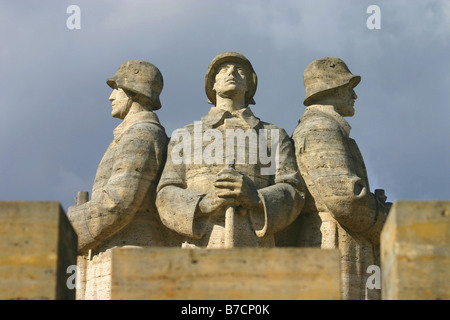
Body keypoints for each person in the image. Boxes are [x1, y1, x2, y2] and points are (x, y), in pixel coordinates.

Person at [156, 52, 305, 248]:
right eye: (223, 70)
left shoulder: (272, 134)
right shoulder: (185, 135)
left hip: (255, 244)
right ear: (213, 84)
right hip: (201, 245)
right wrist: (202, 204)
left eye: (240, 70)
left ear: (250, 84)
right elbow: (166, 192)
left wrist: (255, 198)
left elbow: (292, 190)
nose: (232, 73)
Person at [67, 60, 178, 299]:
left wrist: (69, 227)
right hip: (114, 248)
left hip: (131, 252)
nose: (111, 97)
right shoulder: (129, 134)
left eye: (116, 88)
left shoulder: (142, 133)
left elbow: (119, 201)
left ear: (133, 91)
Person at [292, 57, 391, 300]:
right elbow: (345, 200)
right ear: (331, 88)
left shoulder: (327, 127)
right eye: (349, 88)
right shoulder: (321, 128)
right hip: (334, 241)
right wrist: (386, 220)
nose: (354, 95)